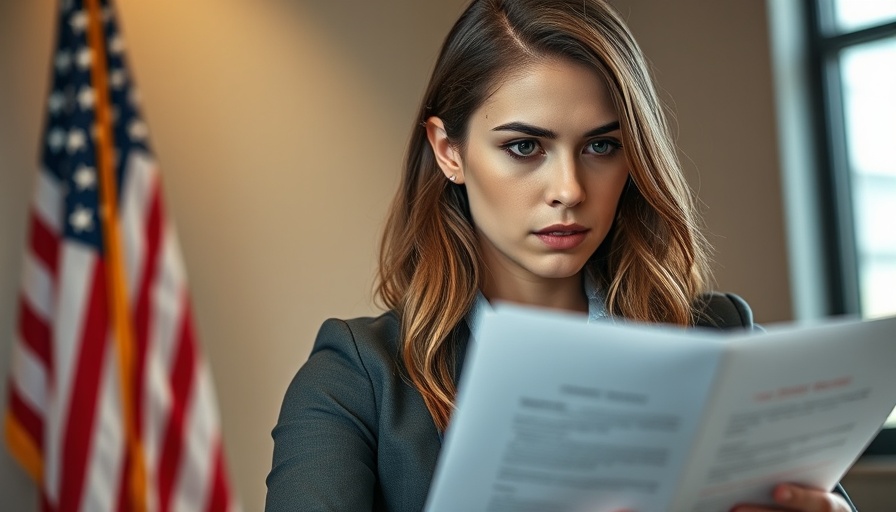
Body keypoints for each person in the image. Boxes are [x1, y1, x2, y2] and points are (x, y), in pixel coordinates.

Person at [265, 1, 856, 511]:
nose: (570, 189)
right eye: (525, 147)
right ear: (449, 152)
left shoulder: (722, 336)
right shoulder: (355, 382)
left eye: (602, 146)